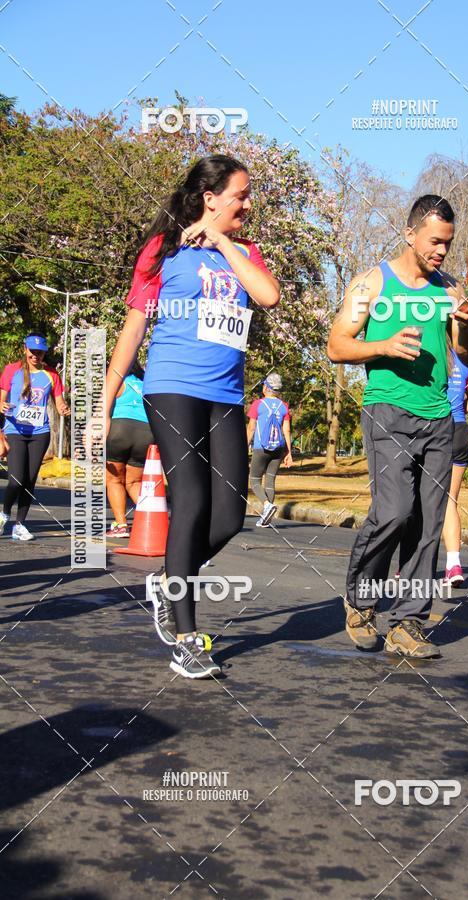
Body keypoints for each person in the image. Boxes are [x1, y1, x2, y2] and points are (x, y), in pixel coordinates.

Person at [104, 154, 280, 679]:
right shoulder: (162, 250)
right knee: (193, 503)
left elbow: (267, 296)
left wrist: (224, 243)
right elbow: (134, 328)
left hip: (224, 393)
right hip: (172, 387)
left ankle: (169, 579)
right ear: (210, 197)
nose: (248, 204)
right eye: (240, 195)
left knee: (229, 513)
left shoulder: (244, 251)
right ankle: (186, 637)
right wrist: (106, 397)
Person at [327, 195, 468, 659]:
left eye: (448, 244)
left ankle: (408, 623)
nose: (441, 251)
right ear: (410, 233)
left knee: (428, 523)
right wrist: (384, 346)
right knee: (394, 512)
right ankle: (361, 602)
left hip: (439, 415)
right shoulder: (372, 283)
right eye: (435, 241)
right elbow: (337, 344)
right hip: (388, 411)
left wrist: (466, 326)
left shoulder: (449, 289)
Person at [0, 333, 70, 540]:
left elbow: (59, 402)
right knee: (15, 479)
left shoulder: (51, 374)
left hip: (40, 433)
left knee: (30, 480)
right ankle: (4, 513)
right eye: (32, 351)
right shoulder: (12, 370)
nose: (36, 355)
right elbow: (1, 398)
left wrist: (64, 408)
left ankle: (20, 525)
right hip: (15, 430)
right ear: (25, 350)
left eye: (40, 352)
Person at [441, 349, 468, 585]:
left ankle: (409, 566)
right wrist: (457, 410)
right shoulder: (466, 361)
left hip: (434, 429)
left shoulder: (432, 353)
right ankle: (453, 565)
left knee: (417, 497)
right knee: (450, 500)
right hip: (460, 429)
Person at [105, 360, 154, 537]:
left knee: (114, 480)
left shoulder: (117, 380)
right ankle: (154, 521)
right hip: (146, 433)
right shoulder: (146, 384)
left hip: (121, 429)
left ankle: (121, 525)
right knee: (134, 482)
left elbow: (106, 408)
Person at [247, 373, 292, 527]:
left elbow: (251, 427)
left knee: (254, 480)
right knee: (270, 481)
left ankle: (267, 505)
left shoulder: (257, 404)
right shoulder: (284, 406)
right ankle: (267, 518)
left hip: (261, 448)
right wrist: (289, 452)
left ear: (266, 387)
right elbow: (286, 430)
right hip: (278, 449)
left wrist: (245, 446)